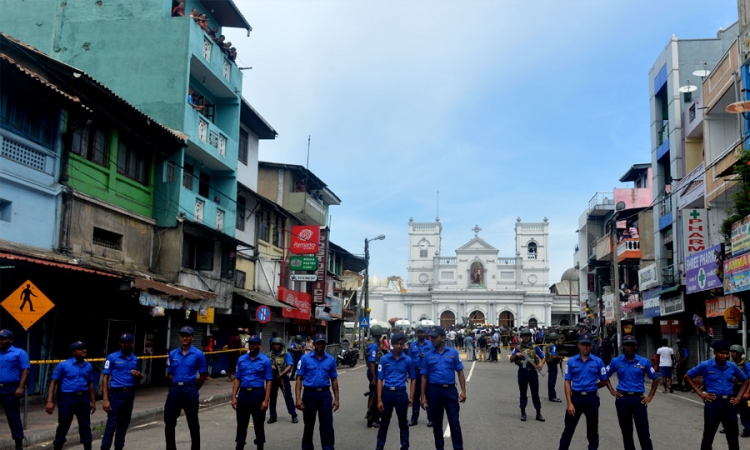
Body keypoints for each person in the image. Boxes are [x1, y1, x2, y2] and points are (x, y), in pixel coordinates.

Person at [685, 339, 749, 450]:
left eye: (726, 353)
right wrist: (701, 394)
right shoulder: (705, 365)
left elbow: (746, 380)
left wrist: (738, 397)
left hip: (729, 404)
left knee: (733, 437)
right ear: (715, 353)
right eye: (722, 353)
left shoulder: (732, 366)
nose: (725, 356)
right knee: (708, 436)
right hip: (713, 403)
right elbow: (687, 376)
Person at [602, 335, 659, 450]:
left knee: (643, 432)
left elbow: (655, 378)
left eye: (632, 345)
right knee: (626, 432)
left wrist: (650, 396)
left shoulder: (644, 362)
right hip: (623, 399)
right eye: (627, 345)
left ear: (636, 346)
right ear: (623, 346)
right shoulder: (616, 361)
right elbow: (604, 376)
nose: (629, 348)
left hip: (639, 400)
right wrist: (612, 391)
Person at [558, 332, 608, 450]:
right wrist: (569, 403)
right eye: (583, 344)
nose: (585, 347)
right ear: (578, 345)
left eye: (588, 344)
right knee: (568, 430)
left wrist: (593, 387)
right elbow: (567, 382)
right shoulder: (571, 362)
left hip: (591, 399)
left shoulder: (598, 362)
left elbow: (604, 380)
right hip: (576, 399)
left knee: (592, 431)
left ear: (591, 346)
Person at [421, 326, 467, 450]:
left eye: (435, 337)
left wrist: (463, 391)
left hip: (450, 391)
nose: (432, 340)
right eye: (431, 337)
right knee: (437, 425)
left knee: (454, 424)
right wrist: (423, 397)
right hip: (434, 392)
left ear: (443, 337)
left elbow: (460, 372)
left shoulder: (453, 353)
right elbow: (424, 377)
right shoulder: (427, 355)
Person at [164, 326, 208, 450]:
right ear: (179, 337)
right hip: (175, 390)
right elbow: (170, 373)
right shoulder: (173, 354)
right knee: (169, 422)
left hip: (190, 390)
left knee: (193, 423)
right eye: (182, 335)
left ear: (192, 338)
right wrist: (176, 385)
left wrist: (194, 388)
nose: (185, 338)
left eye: (187, 335)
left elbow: (203, 374)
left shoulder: (198, 354)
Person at [46, 341, 96, 450]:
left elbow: (90, 384)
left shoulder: (88, 366)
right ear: (74, 352)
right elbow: (53, 382)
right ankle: (58, 446)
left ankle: (88, 447)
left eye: (84, 349)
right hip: (67, 399)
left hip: (83, 398)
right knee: (63, 425)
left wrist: (92, 401)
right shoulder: (63, 365)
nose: (84, 351)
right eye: (80, 349)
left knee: (85, 426)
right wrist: (49, 401)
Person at [295, 333, 339, 450]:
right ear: (314, 344)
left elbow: (334, 379)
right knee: (309, 425)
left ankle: (328, 447)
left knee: (327, 425)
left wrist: (337, 399)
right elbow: (299, 379)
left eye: (323, 343)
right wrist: (298, 398)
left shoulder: (330, 360)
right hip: (309, 395)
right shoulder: (305, 359)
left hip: (325, 395)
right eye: (318, 343)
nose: (321, 346)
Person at [101, 333, 143, 450]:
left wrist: (138, 375)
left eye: (126, 343)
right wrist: (105, 399)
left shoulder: (135, 359)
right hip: (116, 394)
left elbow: (139, 377)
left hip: (129, 394)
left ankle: (119, 447)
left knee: (124, 424)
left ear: (131, 344)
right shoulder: (112, 358)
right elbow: (105, 378)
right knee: (112, 424)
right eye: (121, 342)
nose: (123, 345)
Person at [376, 333, 416, 450]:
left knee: (403, 423)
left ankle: (404, 446)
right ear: (392, 345)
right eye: (397, 344)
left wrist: (412, 397)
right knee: (384, 423)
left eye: (401, 344)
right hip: (387, 393)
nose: (399, 346)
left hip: (400, 393)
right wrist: (379, 399)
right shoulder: (384, 359)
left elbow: (413, 378)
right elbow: (379, 379)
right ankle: (379, 447)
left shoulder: (408, 360)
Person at [232, 334, 273, 450]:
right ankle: (239, 445)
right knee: (241, 424)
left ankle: (260, 445)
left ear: (259, 346)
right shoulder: (241, 359)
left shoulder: (265, 361)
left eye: (254, 344)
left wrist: (266, 400)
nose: (252, 346)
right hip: (243, 394)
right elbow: (237, 379)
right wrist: (234, 397)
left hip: (258, 394)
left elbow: (269, 381)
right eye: (250, 344)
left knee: (259, 424)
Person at [0, 329, 29, 450]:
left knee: (13, 417)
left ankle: (18, 444)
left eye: (3, 339)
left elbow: (25, 370)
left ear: (10, 340)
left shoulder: (19, 353)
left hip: (11, 389)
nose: (0, 341)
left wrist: (20, 387)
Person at [510, 328, 545, 422]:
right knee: (523, 393)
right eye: (524, 336)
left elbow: (543, 357)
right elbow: (511, 360)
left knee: (535, 393)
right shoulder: (518, 348)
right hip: (522, 371)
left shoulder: (535, 347)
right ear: (521, 337)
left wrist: (541, 364)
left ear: (530, 337)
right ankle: (523, 412)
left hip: (532, 372)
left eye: (527, 336)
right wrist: (516, 355)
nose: (526, 337)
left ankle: (538, 413)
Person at [267, 337, 299, 424]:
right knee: (272, 398)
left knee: (288, 396)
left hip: (283, 377)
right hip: (272, 378)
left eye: (278, 344)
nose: (276, 346)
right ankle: (273, 416)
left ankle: (293, 415)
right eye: (274, 344)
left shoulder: (286, 354)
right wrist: (271, 366)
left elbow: (289, 365)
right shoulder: (270, 355)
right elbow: (264, 364)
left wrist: (281, 374)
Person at [408, 326, 434, 427]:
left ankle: (431, 418)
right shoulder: (412, 345)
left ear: (425, 333)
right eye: (418, 333)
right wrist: (408, 373)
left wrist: (426, 356)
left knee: (428, 395)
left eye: (422, 332)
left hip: (427, 373)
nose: (420, 334)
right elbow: (409, 359)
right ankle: (414, 418)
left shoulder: (430, 344)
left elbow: (433, 356)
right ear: (416, 334)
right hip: (416, 372)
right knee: (415, 396)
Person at [366, 325, 387, 428]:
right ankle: (373, 419)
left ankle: (373, 417)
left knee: (374, 394)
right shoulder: (374, 345)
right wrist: (374, 378)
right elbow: (372, 363)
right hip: (373, 372)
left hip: (373, 372)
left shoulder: (371, 343)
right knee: (375, 395)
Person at [729, 345, 750, 438]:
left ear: (739, 353)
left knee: (745, 410)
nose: (732, 354)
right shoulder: (733, 363)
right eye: (731, 352)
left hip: (744, 388)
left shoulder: (746, 364)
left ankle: (747, 429)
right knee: (730, 408)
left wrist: (747, 393)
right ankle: (729, 428)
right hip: (734, 388)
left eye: (734, 352)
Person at [544, 332, 563, 402]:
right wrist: (560, 357)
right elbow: (553, 355)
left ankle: (550, 395)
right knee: (552, 380)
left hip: (549, 363)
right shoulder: (553, 346)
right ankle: (553, 396)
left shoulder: (548, 345)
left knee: (550, 380)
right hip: (552, 363)